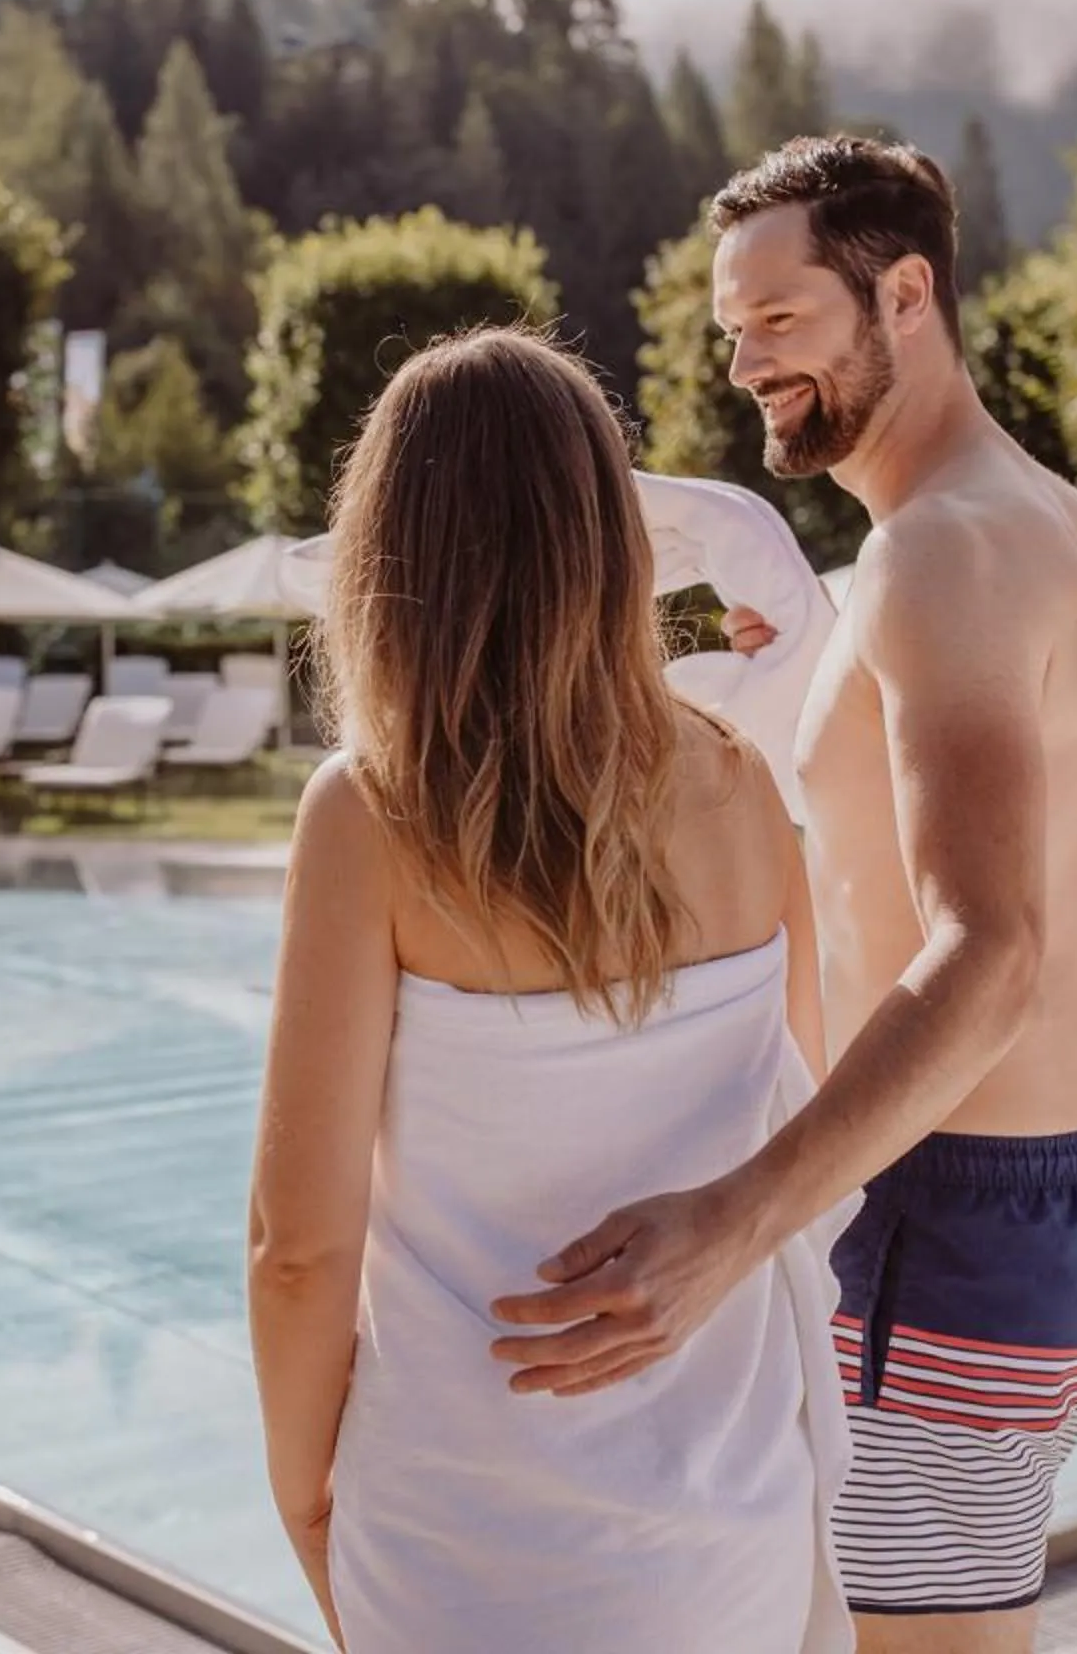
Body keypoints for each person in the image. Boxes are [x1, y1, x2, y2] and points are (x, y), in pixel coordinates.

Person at [490, 136, 1077, 1648]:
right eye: (734, 331)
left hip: (949, 1216)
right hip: (1065, 1199)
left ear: (906, 292)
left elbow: (991, 954)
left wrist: (736, 1222)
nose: (747, 364)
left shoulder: (942, 560)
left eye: (783, 321)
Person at [247, 328, 856, 1654]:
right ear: (609, 532)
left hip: (466, 1529)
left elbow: (299, 1246)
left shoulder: (371, 817)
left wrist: (302, 1500)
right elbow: (800, 1135)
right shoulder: (747, 787)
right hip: (728, 1525)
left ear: (387, 557)